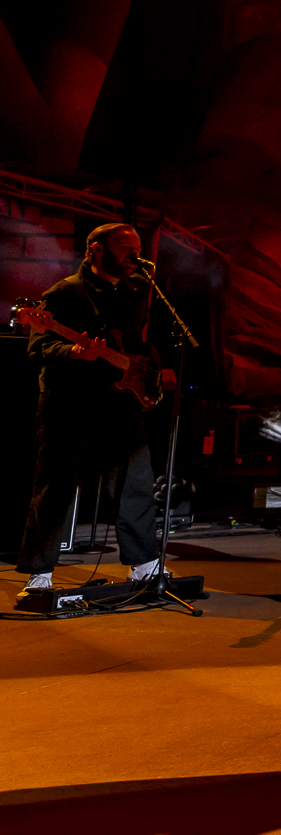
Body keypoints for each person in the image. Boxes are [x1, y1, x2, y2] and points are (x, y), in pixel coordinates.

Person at [14, 223, 167, 602]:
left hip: (119, 400)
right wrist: (75, 353)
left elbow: (133, 343)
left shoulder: (136, 291)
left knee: (135, 481)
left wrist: (145, 368)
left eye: (137, 247)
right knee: (56, 487)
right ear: (96, 249)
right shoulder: (64, 293)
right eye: (124, 247)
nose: (134, 254)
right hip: (69, 401)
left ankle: (145, 564)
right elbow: (38, 347)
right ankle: (39, 571)